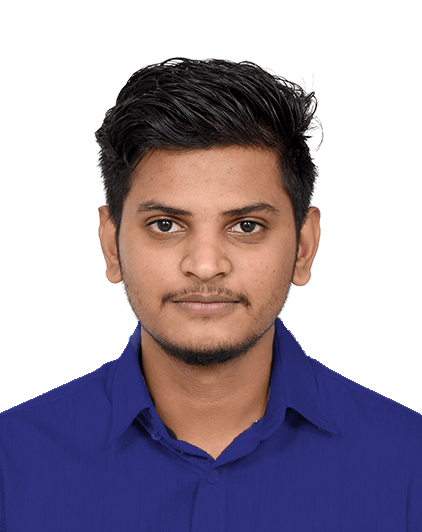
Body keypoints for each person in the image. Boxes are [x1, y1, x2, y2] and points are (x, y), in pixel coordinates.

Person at [0, 58, 421, 532]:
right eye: (165, 225)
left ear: (303, 247)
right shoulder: (11, 464)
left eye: (247, 226)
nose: (204, 265)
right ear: (111, 245)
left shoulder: (409, 465)